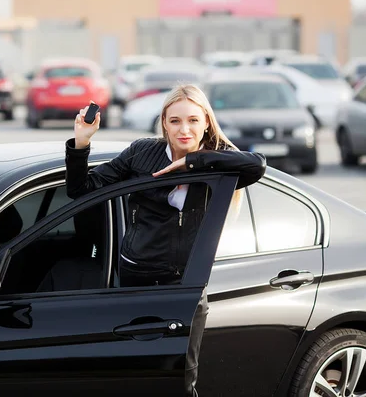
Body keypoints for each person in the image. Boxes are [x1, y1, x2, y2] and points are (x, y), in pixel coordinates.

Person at [64, 84, 267, 396]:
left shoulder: (221, 159)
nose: (184, 129)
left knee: (182, 379)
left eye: (193, 120)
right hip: (136, 278)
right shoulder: (142, 153)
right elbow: (82, 189)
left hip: (185, 284)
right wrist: (81, 142)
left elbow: (257, 165)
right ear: (163, 123)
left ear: (206, 123)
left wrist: (192, 163)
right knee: (135, 374)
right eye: (175, 121)